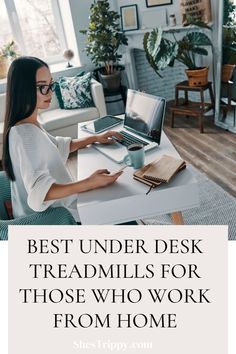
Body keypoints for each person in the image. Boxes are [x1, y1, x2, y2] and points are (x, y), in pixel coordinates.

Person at [2, 56, 123, 223]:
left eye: (50, 84)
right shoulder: (24, 135)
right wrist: (89, 183)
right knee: (119, 202)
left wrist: (95, 138)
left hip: (61, 208)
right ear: (23, 89)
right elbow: (41, 192)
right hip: (52, 219)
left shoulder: (28, 124)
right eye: (42, 87)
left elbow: (58, 146)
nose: (51, 92)